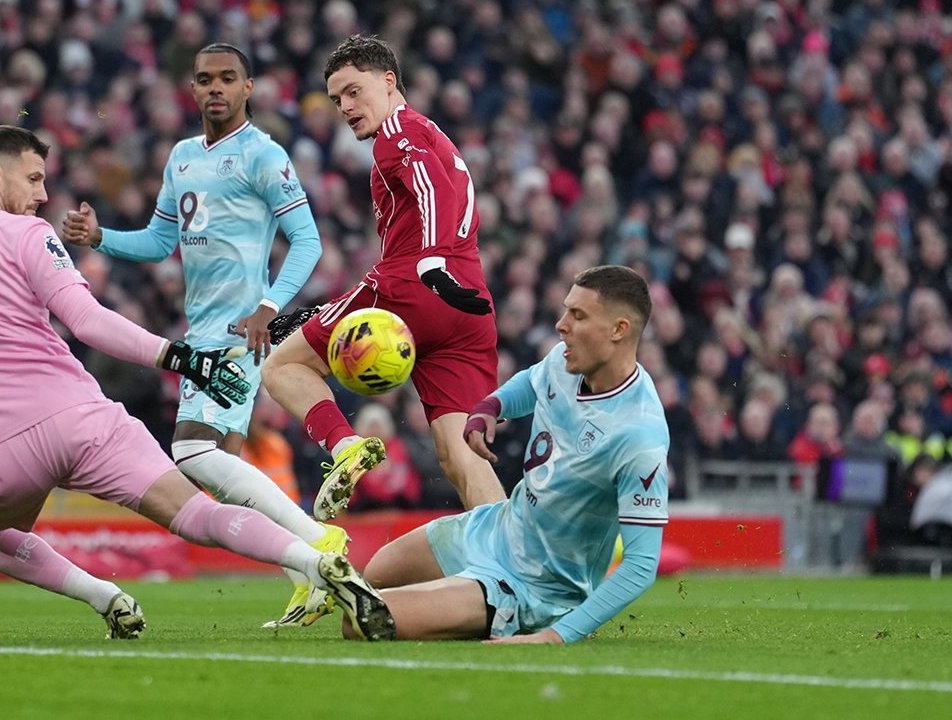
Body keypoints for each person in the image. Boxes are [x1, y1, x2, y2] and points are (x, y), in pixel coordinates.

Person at [0, 125, 393, 641]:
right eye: (33, 180)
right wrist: (178, 357)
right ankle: (313, 563)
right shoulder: (28, 236)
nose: (42, 195)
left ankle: (102, 596)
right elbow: (87, 322)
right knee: (195, 515)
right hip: (81, 419)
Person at [59, 43, 345, 628]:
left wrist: (268, 306)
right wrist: (100, 237)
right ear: (191, 90)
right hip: (202, 327)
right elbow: (160, 242)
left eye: (227, 79)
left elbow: (309, 241)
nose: (215, 88)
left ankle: (319, 541)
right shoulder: (183, 156)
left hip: (238, 330)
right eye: (204, 79)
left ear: (248, 88)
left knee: (192, 451)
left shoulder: (264, 155)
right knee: (224, 471)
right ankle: (308, 575)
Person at [261, 35, 506, 522]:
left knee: (281, 368)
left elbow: (429, 184)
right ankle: (519, 567)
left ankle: (345, 446)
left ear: (389, 81)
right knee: (460, 456)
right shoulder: (432, 133)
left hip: (416, 285)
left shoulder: (399, 131)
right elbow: (439, 188)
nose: (346, 107)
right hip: (469, 304)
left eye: (354, 91)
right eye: (336, 100)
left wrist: (431, 262)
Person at [360, 266, 670, 642]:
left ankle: (497, 612)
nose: (561, 325)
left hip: (534, 586)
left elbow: (640, 565)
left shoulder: (639, 435)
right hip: (495, 529)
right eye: (565, 310)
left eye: (578, 315)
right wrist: (491, 407)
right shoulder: (567, 361)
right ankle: (464, 607)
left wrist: (556, 636)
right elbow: (533, 381)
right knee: (370, 577)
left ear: (619, 330)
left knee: (363, 619)